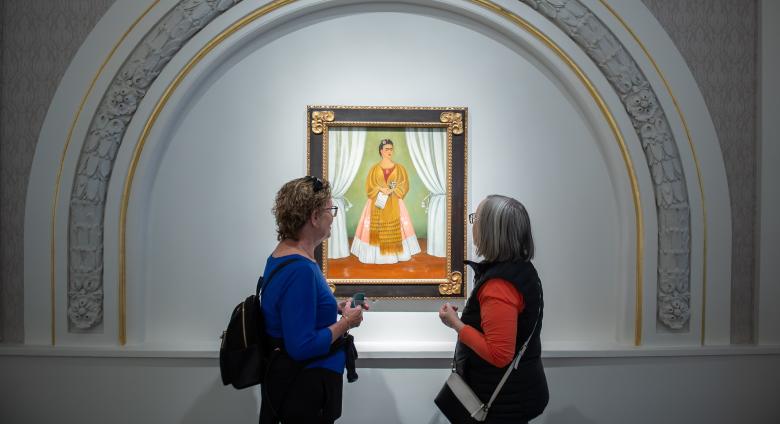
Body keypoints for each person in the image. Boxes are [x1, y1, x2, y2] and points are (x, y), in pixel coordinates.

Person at [260, 176, 368, 424]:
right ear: (314, 217)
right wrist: (346, 323)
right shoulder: (300, 269)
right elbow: (302, 345)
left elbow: (296, 312)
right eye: (331, 209)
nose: (333, 216)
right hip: (302, 393)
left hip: (295, 388)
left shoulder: (286, 257)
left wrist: (337, 307)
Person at [438, 195, 549, 423]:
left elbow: (499, 354)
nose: (473, 225)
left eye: (475, 219)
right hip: (514, 394)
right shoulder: (522, 270)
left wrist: (456, 323)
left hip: (500, 403)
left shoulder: (499, 285)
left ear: (490, 229)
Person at [350, 138, 421, 264]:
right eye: (387, 149)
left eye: (391, 149)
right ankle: (375, 256)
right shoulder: (373, 169)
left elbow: (404, 184)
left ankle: (397, 254)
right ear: (381, 151)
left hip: (394, 202)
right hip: (377, 202)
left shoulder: (400, 168)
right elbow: (369, 187)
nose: (389, 151)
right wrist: (380, 188)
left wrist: (393, 190)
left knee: (397, 226)